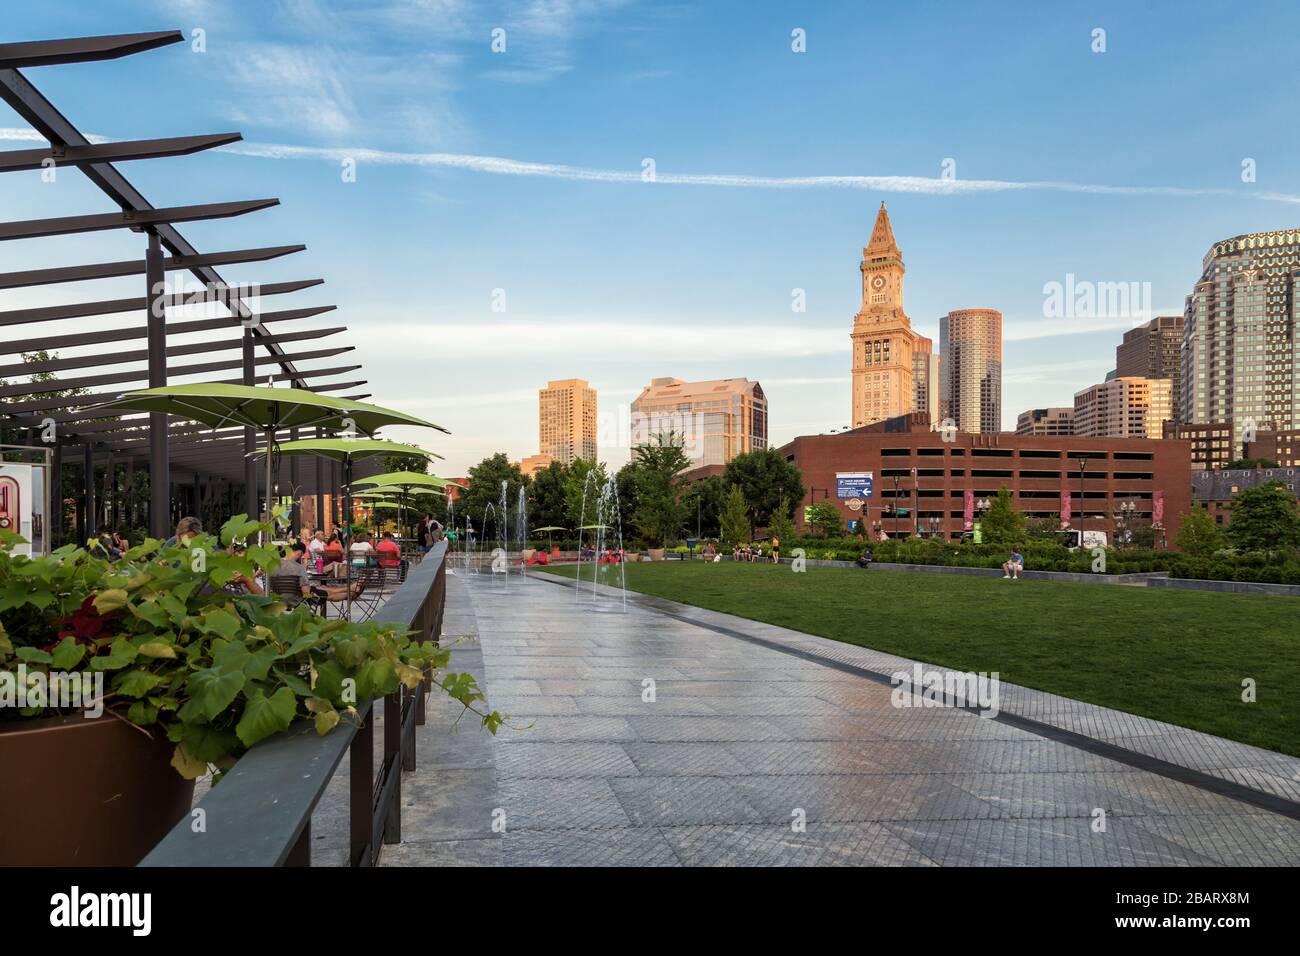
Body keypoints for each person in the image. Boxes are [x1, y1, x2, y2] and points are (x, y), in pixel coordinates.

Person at [273, 541, 361, 608]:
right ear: (299, 553)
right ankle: (350, 593)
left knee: (322, 588)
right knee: (327, 594)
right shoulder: (298, 568)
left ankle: (350, 590)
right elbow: (306, 593)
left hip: (279, 601)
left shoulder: (272, 565)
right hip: (297, 602)